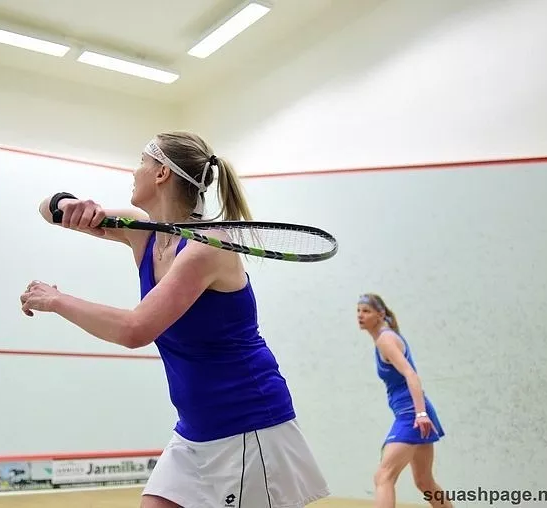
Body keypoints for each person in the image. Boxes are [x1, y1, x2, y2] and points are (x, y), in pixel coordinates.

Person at [20, 131, 330, 508]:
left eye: (142, 161)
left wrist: (56, 300)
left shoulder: (207, 248)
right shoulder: (142, 231)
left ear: (161, 173)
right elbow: (47, 211)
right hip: (194, 431)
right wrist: (67, 203)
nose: (134, 171)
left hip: (247, 426)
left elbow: (135, 329)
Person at [356, 293, 452, 508]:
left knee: (383, 476)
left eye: (366, 311)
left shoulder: (386, 339)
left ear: (380, 314)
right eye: (358, 311)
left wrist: (420, 413)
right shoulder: (384, 339)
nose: (360, 315)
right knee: (424, 481)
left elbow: (411, 374)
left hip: (412, 415)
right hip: (415, 413)